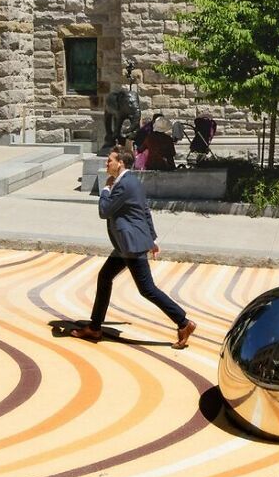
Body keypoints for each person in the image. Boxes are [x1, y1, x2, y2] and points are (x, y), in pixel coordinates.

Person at [71, 147, 196, 347]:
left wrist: (105, 189)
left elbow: (104, 211)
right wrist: (152, 239)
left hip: (131, 245)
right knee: (105, 277)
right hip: (126, 244)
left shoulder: (122, 185)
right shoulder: (132, 181)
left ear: (120, 162)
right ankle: (95, 327)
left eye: (109, 160)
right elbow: (144, 210)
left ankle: (183, 322)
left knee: (147, 289)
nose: (106, 163)